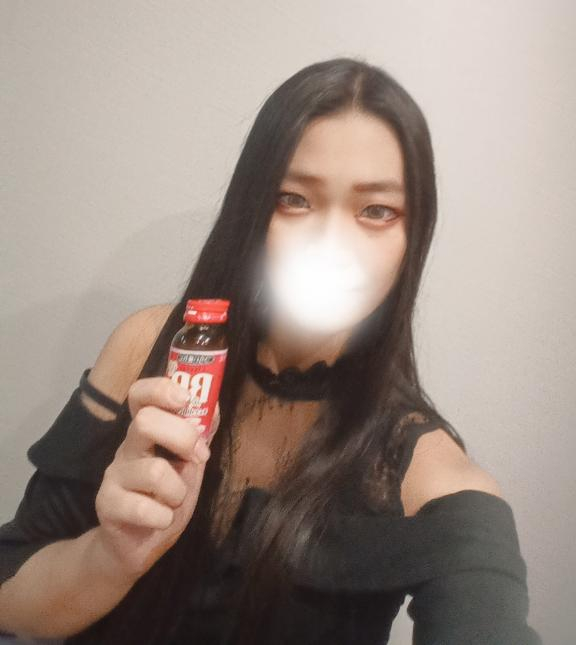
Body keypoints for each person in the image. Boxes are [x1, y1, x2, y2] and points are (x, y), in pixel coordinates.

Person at [0, 57, 542, 644]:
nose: (330, 244)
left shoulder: (426, 475)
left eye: (377, 211)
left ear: (414, 238)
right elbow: (10, 599)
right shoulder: (149, 351)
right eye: (294, 199)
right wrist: (112, 555)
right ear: (252, 210)